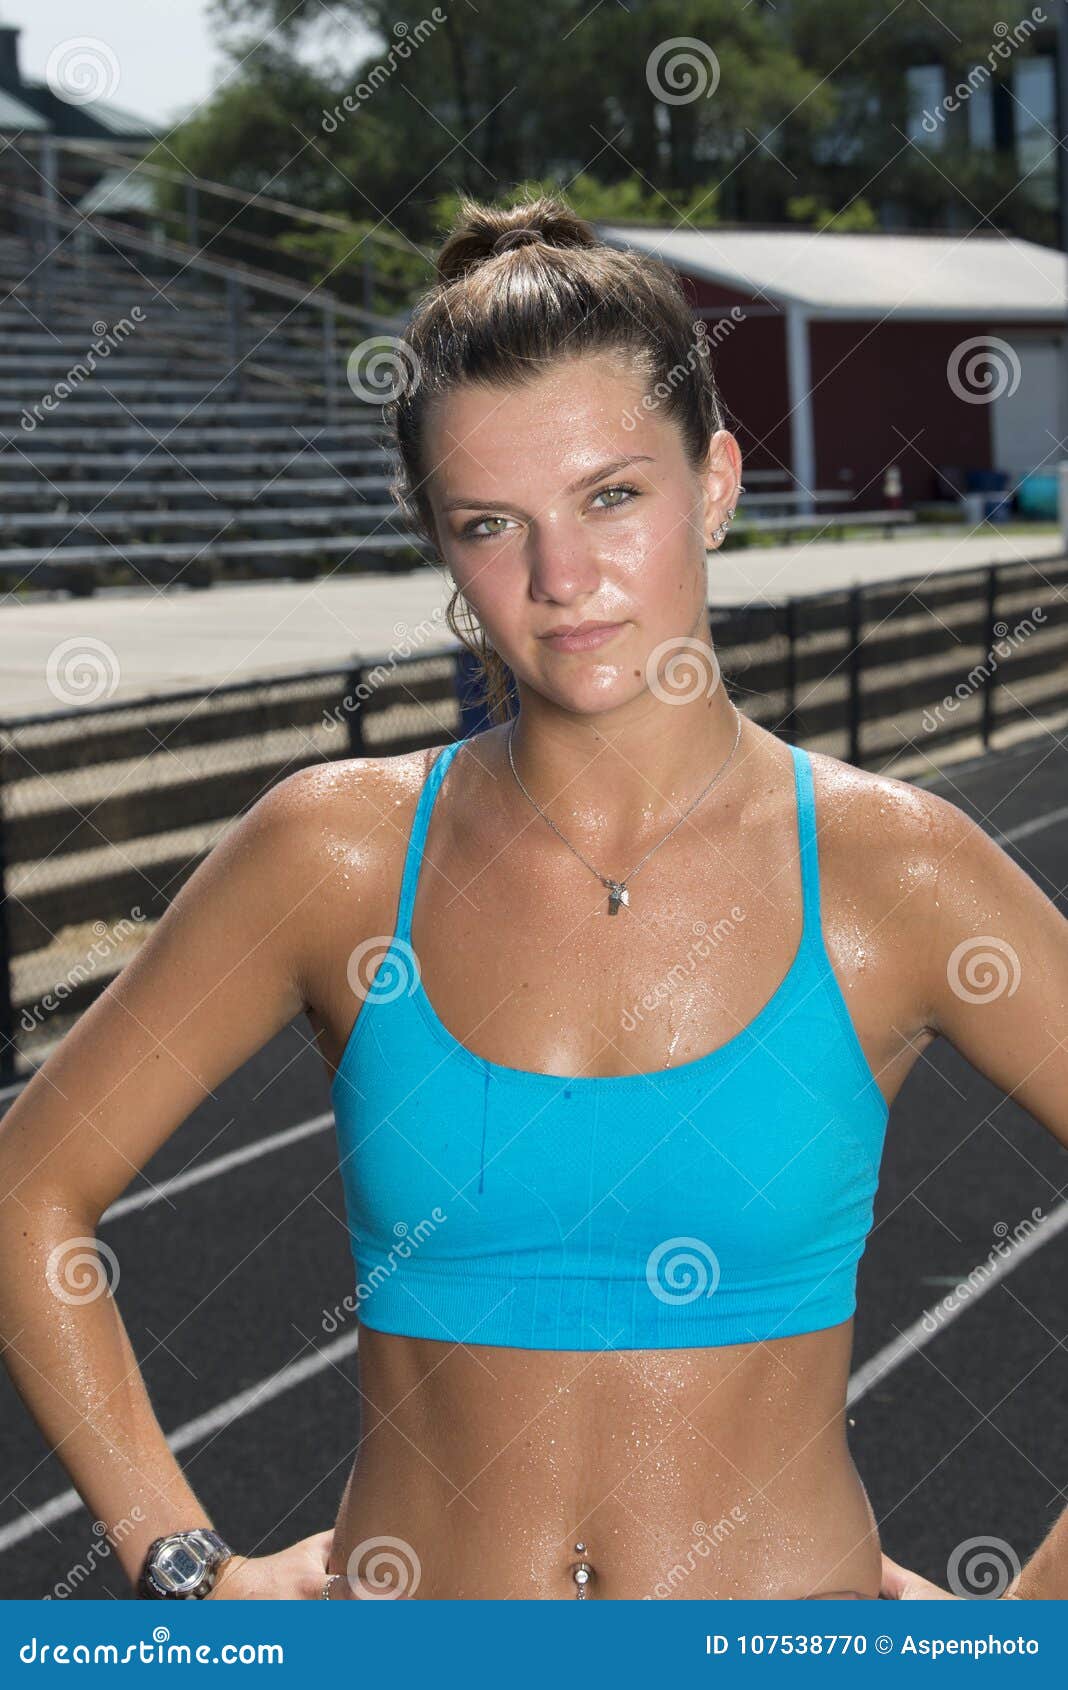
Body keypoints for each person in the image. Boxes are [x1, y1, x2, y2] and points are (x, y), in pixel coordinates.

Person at [1, 193, 1065, 1602]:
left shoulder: (898, 869)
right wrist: (186, 1561)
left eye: (613, 496)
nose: (563, 579)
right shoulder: (337, 854)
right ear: (442, 544)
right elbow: (27, 1188)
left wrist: (1026, 1625)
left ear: (721, 482)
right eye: (492, 523)